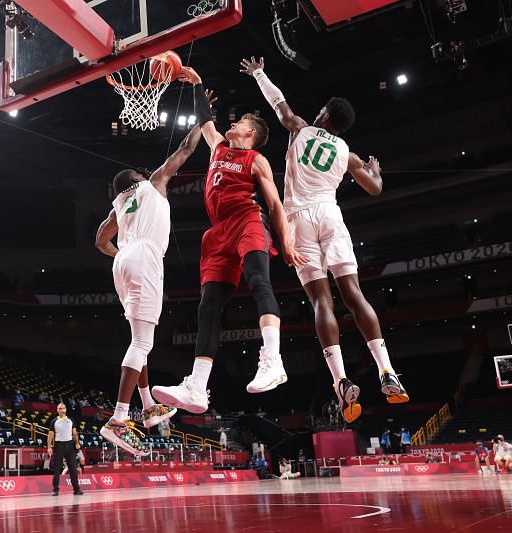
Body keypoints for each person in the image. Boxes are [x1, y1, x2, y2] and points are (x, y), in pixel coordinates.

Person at [240, 56, 409, 423]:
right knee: (354, 295)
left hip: (299, 219)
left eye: (320, 111)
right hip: (331, 216)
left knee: (321, 301)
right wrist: (375, 170)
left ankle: (341, 381)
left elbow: (279, 103)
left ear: (326, 117)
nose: (315, 114)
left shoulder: (299, 129)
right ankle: (387, 370)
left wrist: (258, 73)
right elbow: (375, 187)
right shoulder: (347, 154)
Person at [152, 67, 306, 414]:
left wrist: (288, 240)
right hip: (217, 233)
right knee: (207, 306)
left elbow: (275, 204)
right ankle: (196, 387)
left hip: (248, 220)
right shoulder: (218, 147)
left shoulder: (256, 160)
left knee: (257, 280)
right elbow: (205, 121)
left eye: (238, 123)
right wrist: (196, 82)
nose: (231, 125)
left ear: (249, 132)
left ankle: (272, 361)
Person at [95, 127, 203, 456]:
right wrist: (202, 119)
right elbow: (184, 149)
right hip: (144, 257)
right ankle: (118, 419)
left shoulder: (119, 204)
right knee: (142, 343)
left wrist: (123, 257)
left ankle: (148, 406)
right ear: (138, 178)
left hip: (124, 260)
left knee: (139, 342)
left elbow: (100, 240)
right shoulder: (151, 184)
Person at [47, 402, 83, 496]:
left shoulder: (71, 420)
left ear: (66, 409)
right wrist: (49, 447)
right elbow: (50, 435)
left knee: (73, 469)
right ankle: (55, 490)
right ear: (57, 410)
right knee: (57, 469)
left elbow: (74, 433)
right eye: (60, 408)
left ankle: (76, 489)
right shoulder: (53, 421)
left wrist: (77, 443)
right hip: (58, 446)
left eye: (63, 408)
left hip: (70, 446)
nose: (62, 410)